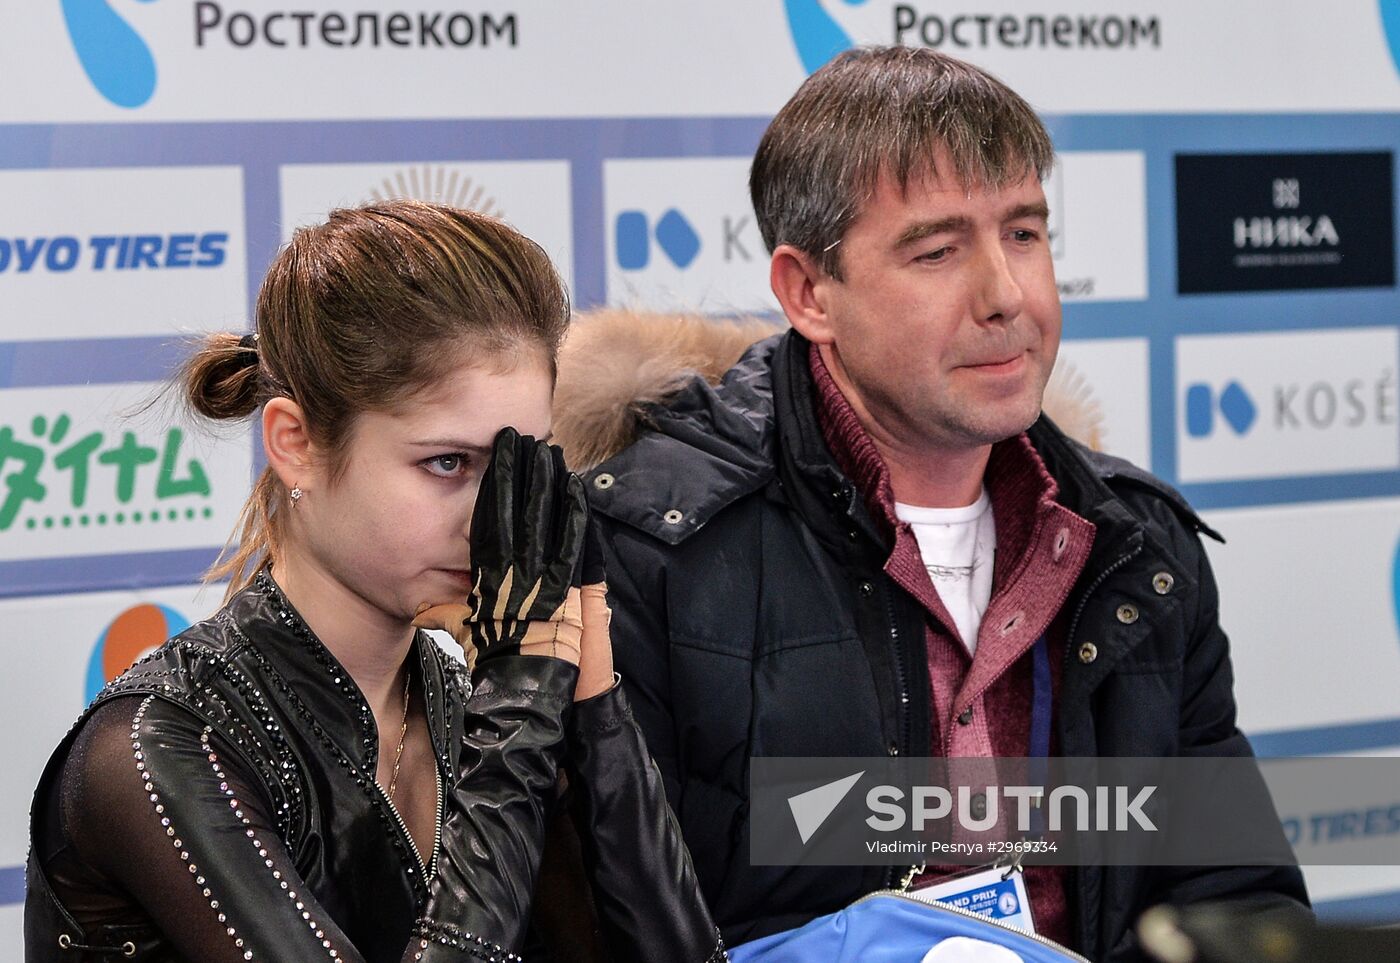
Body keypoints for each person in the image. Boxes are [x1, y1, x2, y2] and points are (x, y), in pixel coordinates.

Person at [564, 47, 1309, 960]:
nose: (1008, 296)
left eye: (1026, 234)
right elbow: (609, 931)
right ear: (809, 293)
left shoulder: (1135, 545)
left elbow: (1234, 899)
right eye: (939, 249)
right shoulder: (642, 553)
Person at [25, 200, 726, 963]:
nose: (495, 525)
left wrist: (588, 686)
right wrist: (520, 698)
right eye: (447, 464)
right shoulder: (157, 748)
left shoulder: (470, 713)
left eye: (522, 470)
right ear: (294, 443)